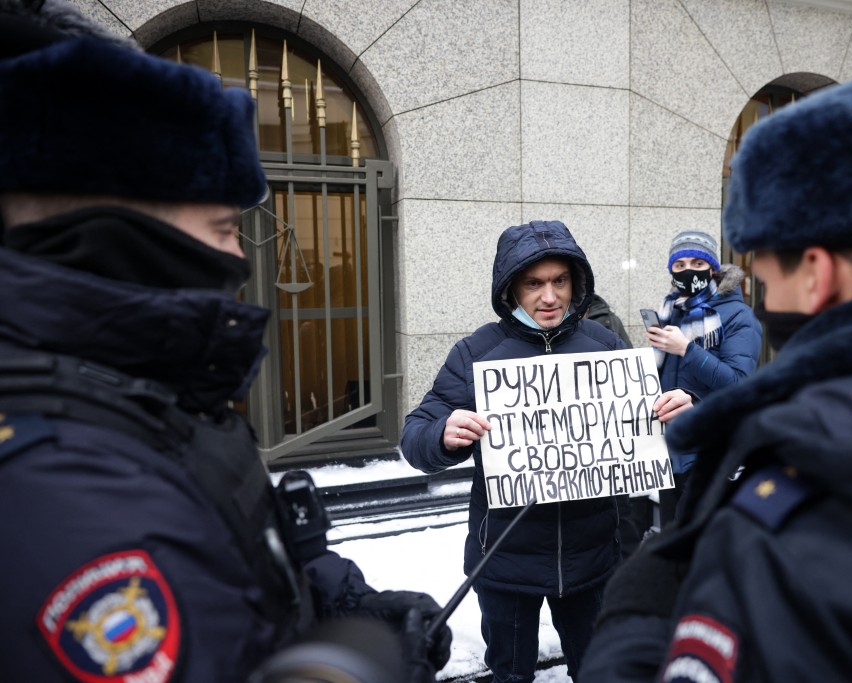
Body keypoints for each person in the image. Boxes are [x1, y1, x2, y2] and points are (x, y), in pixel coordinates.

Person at [0, 2, 449, 681]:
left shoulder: (159, 396)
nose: (241, 260)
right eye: (220, 228)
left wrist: (347, 605)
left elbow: (244, 549)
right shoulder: (70, 497)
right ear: (115, 232)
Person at [579, 69, 852, 682]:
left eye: (763, 264)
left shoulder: (792, 525)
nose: (760, 286)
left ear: (815, 273)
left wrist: (634, 617)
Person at [401, 219, 694, 682]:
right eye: (534, 283)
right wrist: (441, 434)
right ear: (510, 288)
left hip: (593, 557)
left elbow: (646, 429)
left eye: (560, 281)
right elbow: (415, 435)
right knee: (511, 674)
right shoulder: (476, 352)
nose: (550, 296)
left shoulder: (606, 346)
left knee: (599, 671)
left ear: (575, 282)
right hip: (503, 557)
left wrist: (680, 414)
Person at [646, 229, 761, 522]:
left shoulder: (738, 315)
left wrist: (686, 349)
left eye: (697, 264)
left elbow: (739, 384)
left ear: (712, 268)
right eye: (680, 265)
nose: (688, 271)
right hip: (671, 453)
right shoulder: (673, 311)